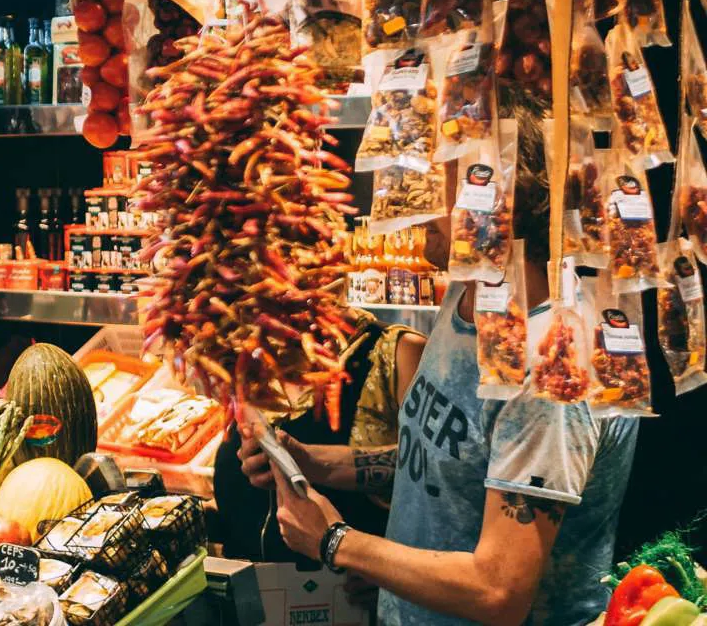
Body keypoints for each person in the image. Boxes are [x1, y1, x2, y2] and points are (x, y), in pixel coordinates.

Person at [241, 94, 638, 625]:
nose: (415, 197)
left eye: (442, 177)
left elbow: (498, 590)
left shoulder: (554, 366)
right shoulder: (468, 298)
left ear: (499, 199)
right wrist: (318, 464)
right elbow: (447, 462)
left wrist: (336, 541)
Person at [213, 311, 424, 561]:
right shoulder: (244, 362)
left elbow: (439, 483)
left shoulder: (397, 353)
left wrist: (390, 570)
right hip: (246, 592)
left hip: (346, 588)